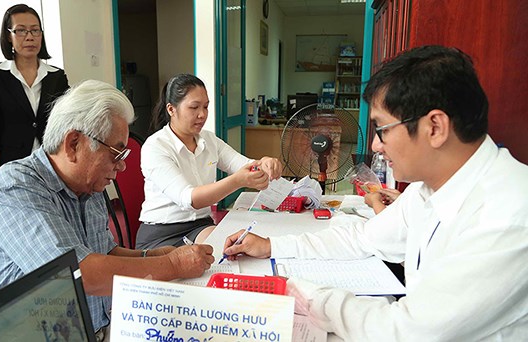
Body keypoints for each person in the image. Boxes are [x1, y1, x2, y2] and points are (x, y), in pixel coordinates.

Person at [222, 46, 528, 340]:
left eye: (382, 129)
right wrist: (271, 246)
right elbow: (362, 238)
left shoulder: (508, 215)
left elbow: (406, 332)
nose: (375, 147)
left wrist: (299, 293)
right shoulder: (428, 188)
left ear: (434, 127)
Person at [0, 80, 214, 336]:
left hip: (95, 329)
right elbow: (78, 275)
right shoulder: (14, 188)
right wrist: (173, 264)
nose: (121, 167)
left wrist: (155, 256)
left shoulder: (87, 186)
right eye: (116, 154)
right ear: (74, 143)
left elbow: (105, 253)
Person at [135, 74, 282, 249]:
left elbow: (242, 164)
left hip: (199, 226)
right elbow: (189, 199)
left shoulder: (208, 140)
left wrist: (264, 163)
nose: (202, 114)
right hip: (161, 233)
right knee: (196, 263)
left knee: (228, 251)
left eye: (206, 107)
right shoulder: (156, 147)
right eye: (194, 107)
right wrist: (237, 181)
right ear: (171, 109)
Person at [0, 4, 70, 179]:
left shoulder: (57, 77)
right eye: (20, 31)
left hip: (52, 164)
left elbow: (65, 123)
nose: (29, 37)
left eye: (35, 30)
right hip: (12, 166)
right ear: (8, 36)